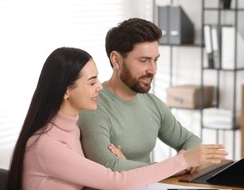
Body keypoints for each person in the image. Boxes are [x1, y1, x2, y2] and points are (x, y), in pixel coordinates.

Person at [0, 47, 227, 190]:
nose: (100, 87)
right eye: (92, 82)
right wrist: (183, 160)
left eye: (97, 79)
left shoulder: (71, 129)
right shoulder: (45, 144)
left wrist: (122, 163)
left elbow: (86, 184)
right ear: (67, 90)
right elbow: (115, 181)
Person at [78, 18, 202, 173]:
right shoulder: (94, 105)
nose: (153, 70)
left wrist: (183, 159)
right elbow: (109, 166)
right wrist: (175, 166)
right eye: (144, 61)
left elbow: (191, 140)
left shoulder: (152, 103)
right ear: (116, 60)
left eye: (155, 60)